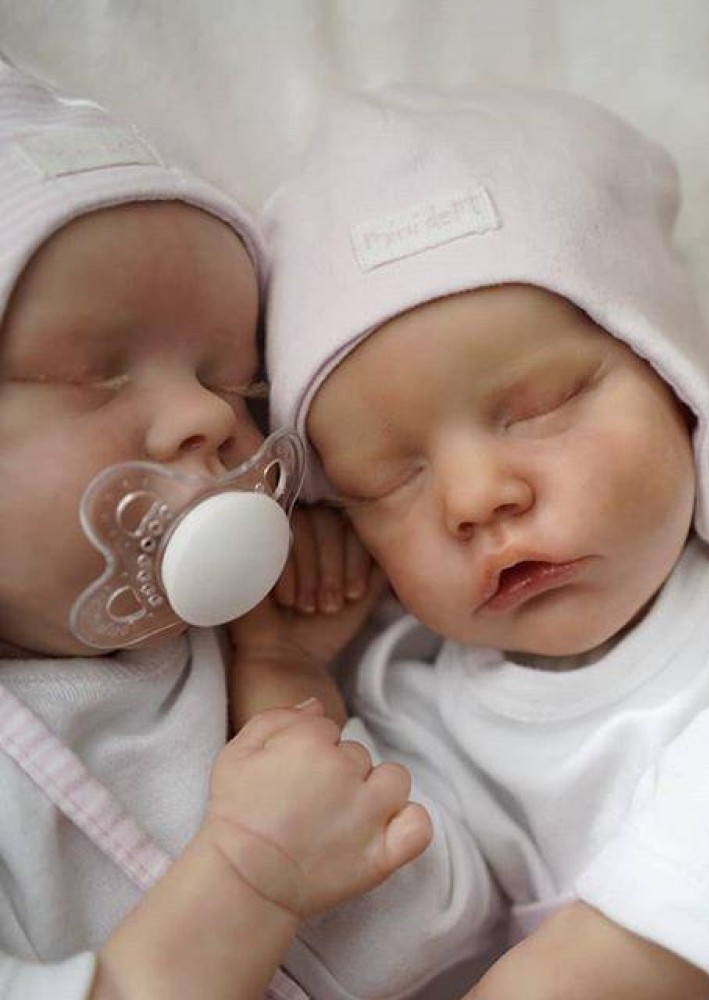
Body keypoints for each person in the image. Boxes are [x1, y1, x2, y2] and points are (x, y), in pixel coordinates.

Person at [256, 84, 709, 999]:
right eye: (389, 479)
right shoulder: (426, 715)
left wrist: (626, 948)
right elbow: (376, 941)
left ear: (667, 373)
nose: (475, 497)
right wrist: (287, 682)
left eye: (539, 408)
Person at [0, 60, 433, 1000]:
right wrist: (247, 878)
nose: (209, 418)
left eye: (237, 384)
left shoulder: (235, 637)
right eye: (97, 374)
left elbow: (422, 919)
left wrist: (286, 673)